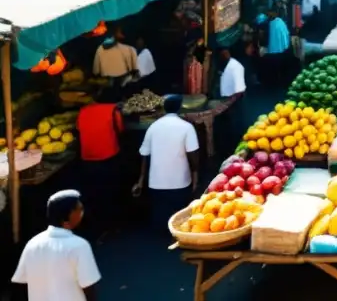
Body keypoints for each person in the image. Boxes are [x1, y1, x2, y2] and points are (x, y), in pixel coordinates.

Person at [12, 190, 101, 301]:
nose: (82, 213)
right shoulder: (79, 246)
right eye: (79, 209)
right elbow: (89, 287)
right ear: (69, 214)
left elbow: (22, 283)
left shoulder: (32, 244)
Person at [133, 95, 200, 231]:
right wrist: (195, 175)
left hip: (156, 183)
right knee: (180, 220)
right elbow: (193, 155)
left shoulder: (153, 127)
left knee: (160, 219)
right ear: (180, 108)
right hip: (180, 182)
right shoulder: (187, 127)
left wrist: (141, 180)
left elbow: (144, 155)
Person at [76, 87, 124, 238]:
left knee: (93, 193)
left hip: (88, 159)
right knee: (110, 192)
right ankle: (111, 226)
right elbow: (120, 129)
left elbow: (78, 128)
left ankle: (96, 227)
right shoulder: (113, 111)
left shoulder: (83, 111)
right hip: (108, 158)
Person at [218, 46, 248, 154]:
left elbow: (239, 90)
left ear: (226, 53)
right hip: (229, 101)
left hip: (234, 102)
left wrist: (228, 104)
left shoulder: (236, 67)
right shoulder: (227, 64)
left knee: (235, 127)